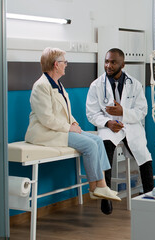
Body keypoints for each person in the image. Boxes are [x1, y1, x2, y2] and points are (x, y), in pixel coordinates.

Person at [25, 47, 120, 205]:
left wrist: (73, 122)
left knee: (98, 140)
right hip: (46, 132)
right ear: (56, 64)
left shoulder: (57, 84)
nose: (66, 64)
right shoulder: (41, 86)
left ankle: (97, 186)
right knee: (89, 145)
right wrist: (69, 128)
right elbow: (46, 119)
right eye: (64, 62)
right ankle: (97, 187)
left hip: (59, 129)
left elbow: (64, 111)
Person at [86, 48, 154, 215]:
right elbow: (91, 113)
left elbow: (142, 111)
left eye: (113, 62)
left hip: (130, 126)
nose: (109, 65)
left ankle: (150, 197)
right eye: (107, 61)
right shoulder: (96, 85)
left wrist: (123, 112)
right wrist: (108, 122)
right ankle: (106, 197)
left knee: (144, 156)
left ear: (122, 64)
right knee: (105, 148)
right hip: (109, 128)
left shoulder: (135, 85)